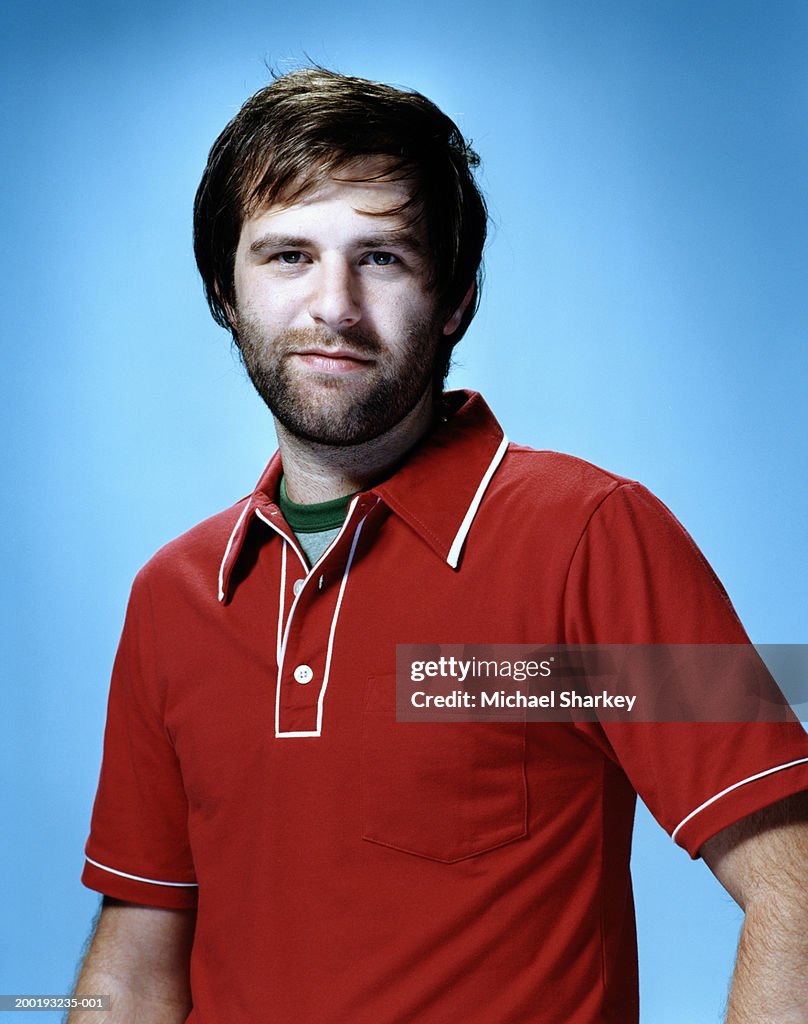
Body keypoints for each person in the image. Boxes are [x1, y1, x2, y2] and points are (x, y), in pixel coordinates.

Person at [71, 68, 808, 1023]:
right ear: (225, 290)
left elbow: (797, 892)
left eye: (381, 258)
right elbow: (132, 972)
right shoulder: (172, 597)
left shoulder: (597, 536)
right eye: (288, 256)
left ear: (455, 297)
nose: (333, 305)